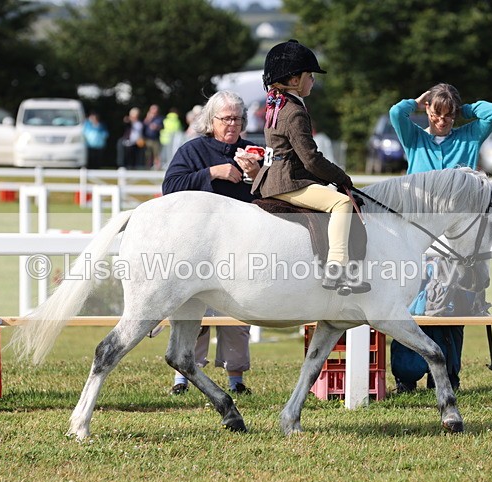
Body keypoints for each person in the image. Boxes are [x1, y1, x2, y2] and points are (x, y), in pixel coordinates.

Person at [388, 83, 492, 392]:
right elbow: (396, 112)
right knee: (413, 306)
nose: (442, 121)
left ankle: (448, 375)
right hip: (415, 239)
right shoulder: (415, 140)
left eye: (449, 115)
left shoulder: (469, 137)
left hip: (455, 243)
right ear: (428, 111)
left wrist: (461, 107)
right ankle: (405, 377)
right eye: (437, 114)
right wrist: (418, 100)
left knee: (452, 308)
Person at [162, 90, 262, 395]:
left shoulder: (255, 150)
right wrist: (212, 172)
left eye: (238, 118)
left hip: (240, 248)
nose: (233, 124)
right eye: (226, 118)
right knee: (194, 312)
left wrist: (259, 174)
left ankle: (237, 380)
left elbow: (272, 193)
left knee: (236, 316)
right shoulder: (192, 151)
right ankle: (182, 379)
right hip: (197, 248)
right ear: (211, 120)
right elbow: (171, 186)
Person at [251, 39, 370, 295]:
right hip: (288, 181)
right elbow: (311, 159)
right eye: (310, 75)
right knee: (342, 203)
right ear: (294, 80)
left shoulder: (277, 105)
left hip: (271, 178)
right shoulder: (293, 111)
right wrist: (341, 178)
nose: (313, 80)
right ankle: (337, 268)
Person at [143, 104, 164, 169]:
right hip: (148, 139)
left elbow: (162, 127)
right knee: (148, 154)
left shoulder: (160, 118)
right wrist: (148, 118)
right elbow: (143, 125)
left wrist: (157, 127)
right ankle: (148, 167)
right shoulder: (148, 118)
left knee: (157, 154)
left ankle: (157, 168)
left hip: (156, 139)